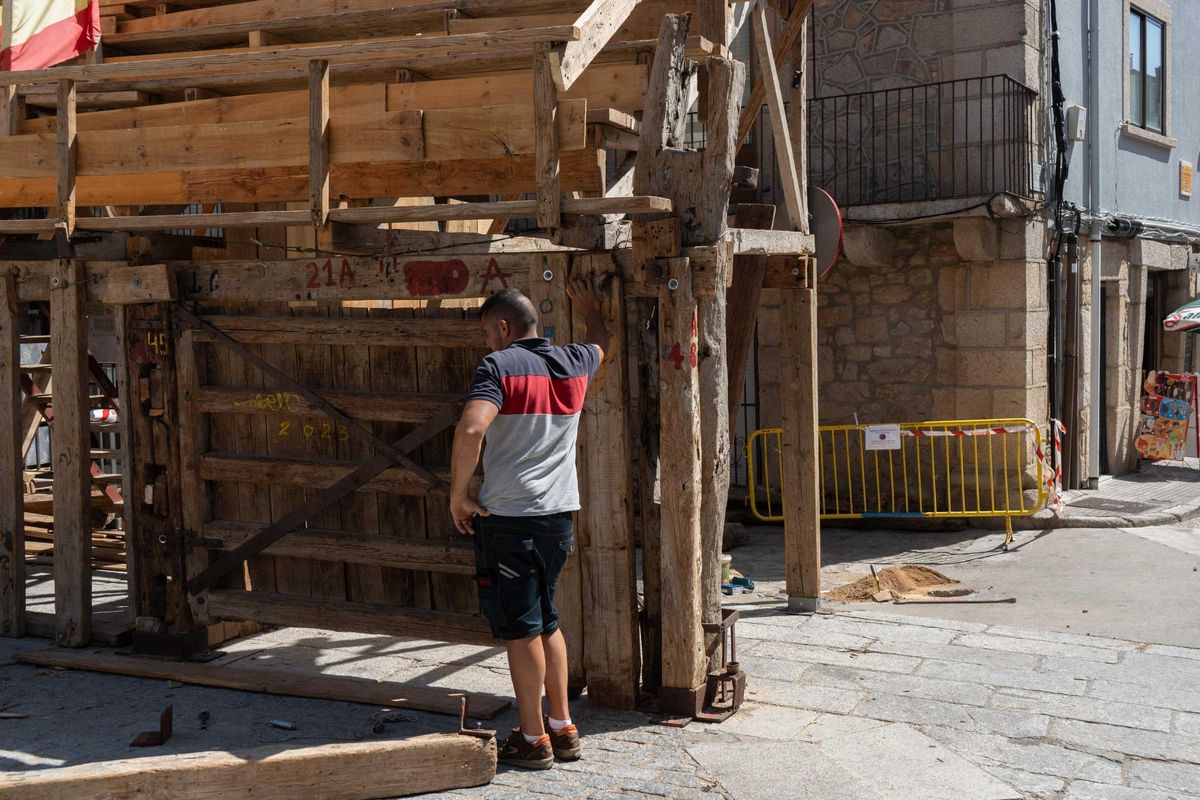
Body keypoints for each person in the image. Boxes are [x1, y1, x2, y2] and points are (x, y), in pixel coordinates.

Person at [450, 280, 608, 770]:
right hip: (559, 516)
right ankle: (563, 727)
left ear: (503, 327)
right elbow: (605, 341)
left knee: (521, 631)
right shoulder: (576, 361)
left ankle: (533, 737)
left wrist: (458, 493)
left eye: (485, 332)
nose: (485, 343)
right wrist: (592, 308)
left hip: (510, 519)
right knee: (547, 619)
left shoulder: (499, 366)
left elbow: (473, 426)